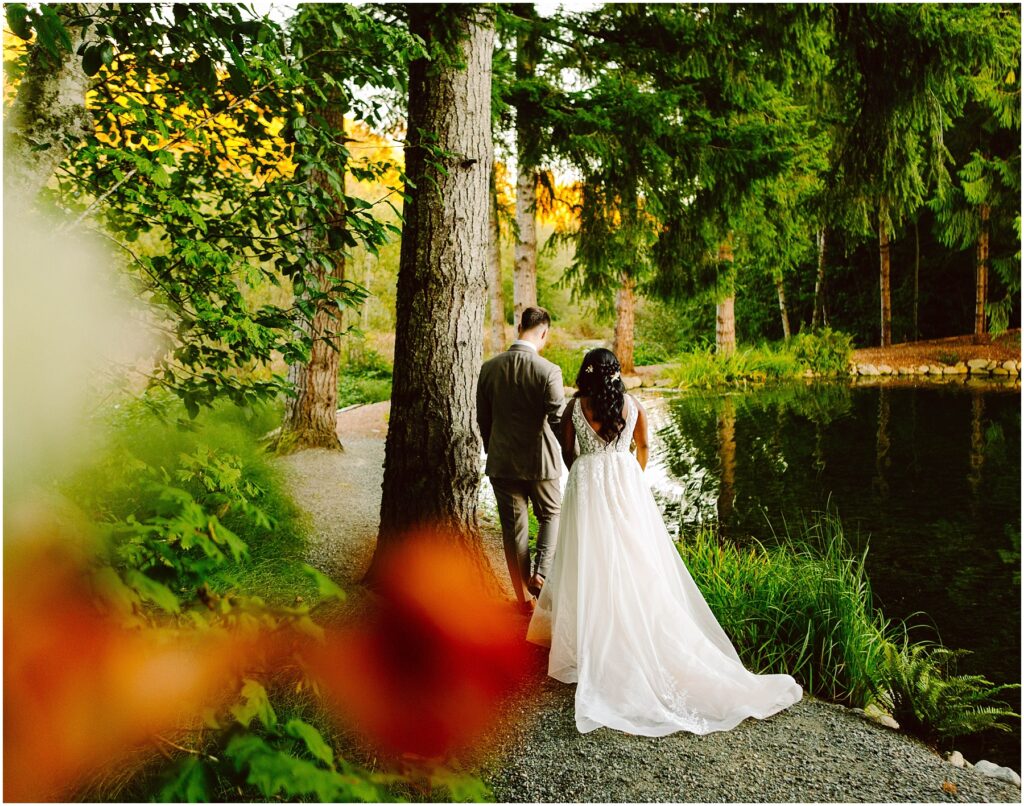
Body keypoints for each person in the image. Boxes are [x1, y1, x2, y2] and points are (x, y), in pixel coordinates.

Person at [527, 347, 802, 736]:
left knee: (588, 563)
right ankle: (624, 636)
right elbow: (644, 450)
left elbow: (569, 452)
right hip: (626, 489)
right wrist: (627, 479)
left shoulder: (575, 408)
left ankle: (592, 644)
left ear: (587, 373)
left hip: (586, 490)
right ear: (615, 373)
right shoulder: (633, 405)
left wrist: (592, 470)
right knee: (635, 563)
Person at [477, 306, 565, 612]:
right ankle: (540, 575)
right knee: (551, 515)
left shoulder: (489, 368)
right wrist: (573, 457)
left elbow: (483, 420)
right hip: (542, 462)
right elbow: (558, 421)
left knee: (514, 530)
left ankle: (522, 600)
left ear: (519, 329)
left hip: (502, 463)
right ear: (543, 333)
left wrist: (494, 450)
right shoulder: (548, 371)